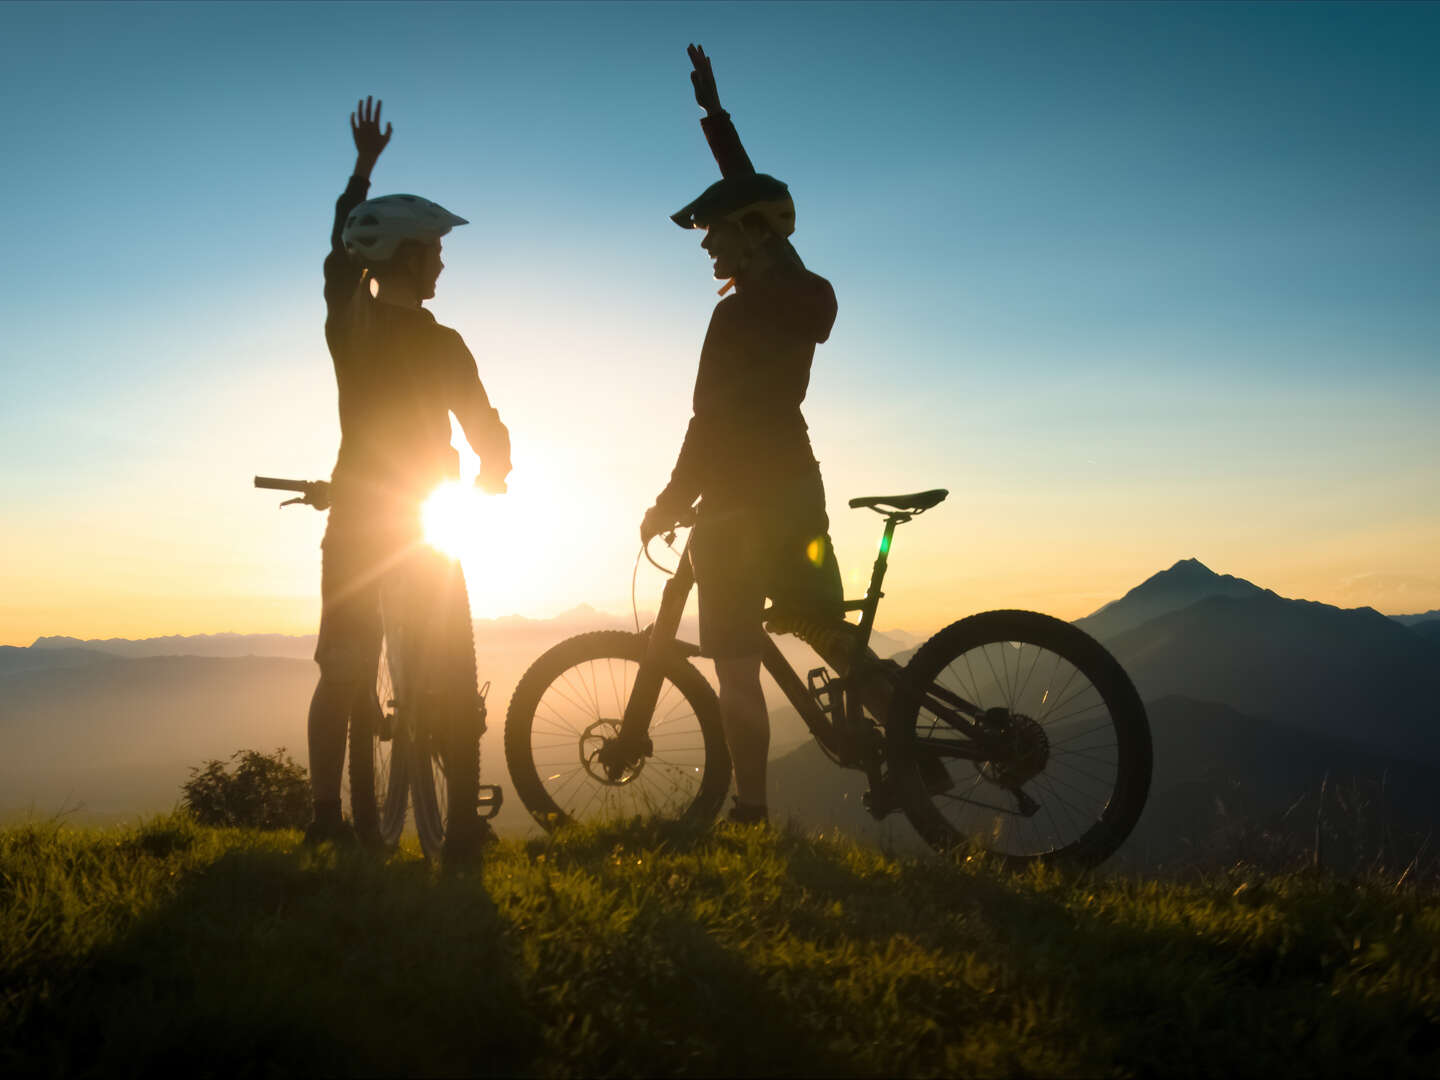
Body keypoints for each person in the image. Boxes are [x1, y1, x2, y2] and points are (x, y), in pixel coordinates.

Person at [641, 47, 844, 826]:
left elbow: (708, 424)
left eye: (718, 232)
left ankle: (752, 813)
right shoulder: (805, 295)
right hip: (797, 491)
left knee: (733, 666)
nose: (706, 245)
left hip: (729, 512)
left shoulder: (732, 317)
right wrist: (715, 117)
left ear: (752, 237)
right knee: (824, 629)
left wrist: (668, 501)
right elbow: (759, 199)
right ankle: (893, 727)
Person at [307, 96, 511, 858]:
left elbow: (337, 251)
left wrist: (361, 170)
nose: (442, 260)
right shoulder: (446, 344)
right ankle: (461, 826)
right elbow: (486, 424)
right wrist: (495, 473)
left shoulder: (347, 324)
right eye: (434, 249)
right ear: (408, 257)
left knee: (340, 670)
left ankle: (326, 818)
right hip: (429, 516)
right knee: (452, 672)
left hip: (359, 517)